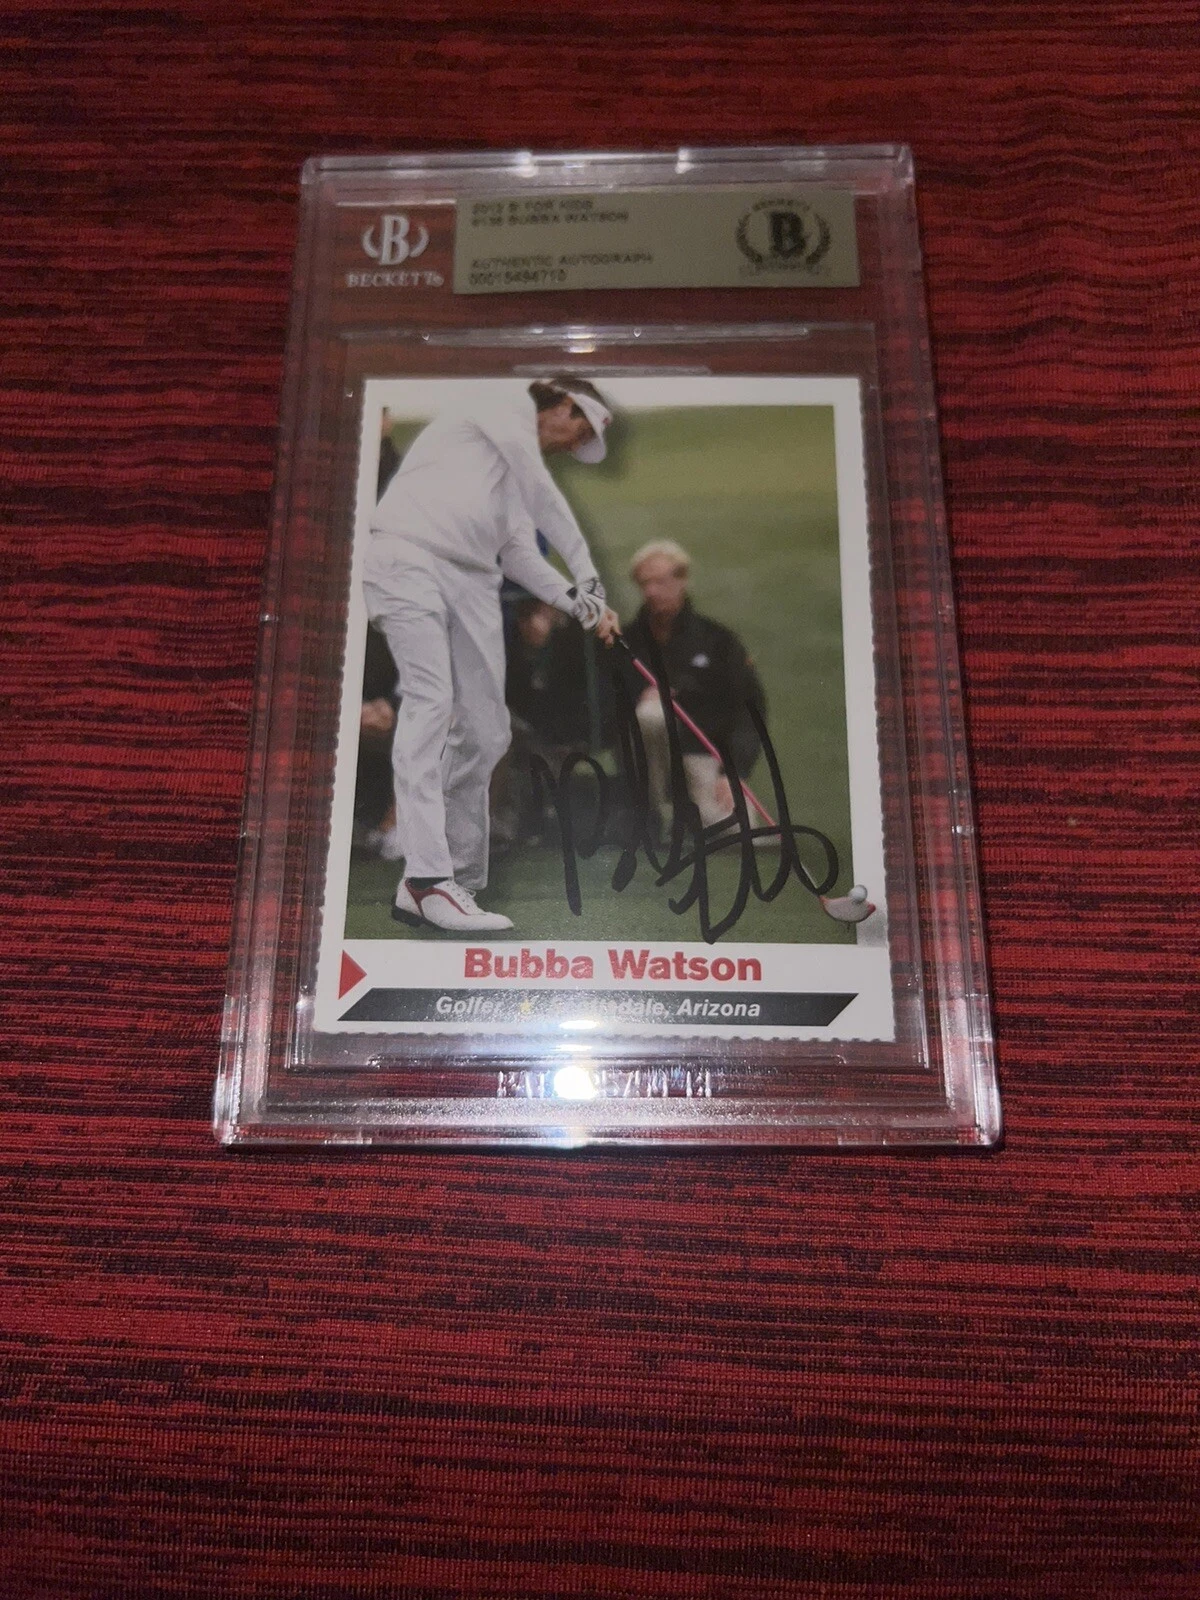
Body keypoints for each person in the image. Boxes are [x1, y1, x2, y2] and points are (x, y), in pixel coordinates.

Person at [362, 375, 620, 933]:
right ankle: (426, 879)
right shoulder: (502, 405)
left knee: (487, 732)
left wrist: (582, 604)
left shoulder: (514, 476)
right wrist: (590, 576)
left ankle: (455, 880)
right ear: (564, 404)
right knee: (431, 704)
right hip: (409, 557)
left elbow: (521, 554)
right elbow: (544, 493)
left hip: (474, 581)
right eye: (579, 432)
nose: (573, 446)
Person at [622, 539, 766, 832]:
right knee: (651, 714)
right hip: (647, 764)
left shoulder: (719, 641)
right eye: (644, 583)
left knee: (738, 830)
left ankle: (686, 811)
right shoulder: (623, 642)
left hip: (700, 755)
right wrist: (639, 697)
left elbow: (749, 710)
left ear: (682, 580)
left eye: (660, 582)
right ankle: (650, 810)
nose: (651, 591)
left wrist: (733, 772)